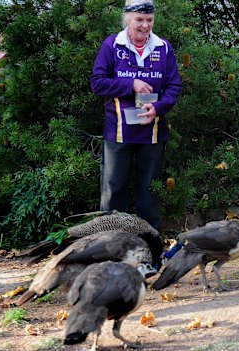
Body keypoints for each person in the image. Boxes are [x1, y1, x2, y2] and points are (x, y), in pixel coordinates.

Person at [90, 0, 181, 268]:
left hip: (152, 135)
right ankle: (109, 258)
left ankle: (150, 258)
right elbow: (97, 82)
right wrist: (130, 84)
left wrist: (160, 107)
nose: (145, 25)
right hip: (118, 133)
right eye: (139, 19)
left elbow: (174, 86)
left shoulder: (163, 48)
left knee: (148, 198)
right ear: (127, 18)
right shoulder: (112, 46)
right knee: (113, 195)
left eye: (149, 20)